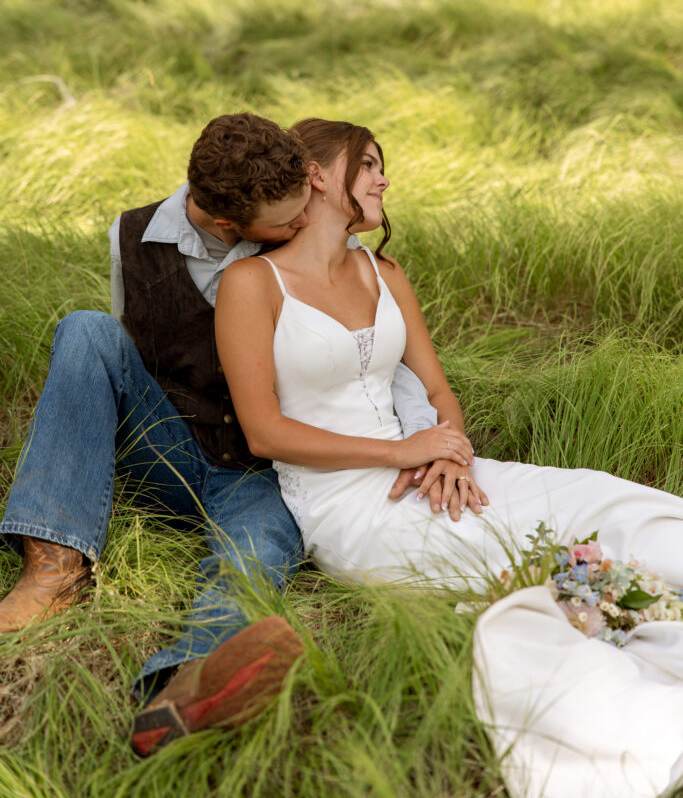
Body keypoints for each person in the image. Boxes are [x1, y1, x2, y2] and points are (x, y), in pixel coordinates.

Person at [215, 118, 683, 798]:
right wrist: (399, 449)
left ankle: (656, 588)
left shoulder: (384, 272)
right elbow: (265, 432)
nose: (383, 179)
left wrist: (451, 454)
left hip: (436, 468)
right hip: (350, 503)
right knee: (546, 571)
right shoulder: (252, 286)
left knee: (602, 499)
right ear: (317, 174)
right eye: (368, 164)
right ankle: (644, 645)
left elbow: (436, 391)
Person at [0, 112, 441, 756]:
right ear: (230, 223)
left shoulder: (304, 243)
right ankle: (55, 564)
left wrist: (424, 438)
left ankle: (183, 684)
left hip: (263, 472)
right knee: (88, 329)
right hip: (171, 451)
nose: (304, 222)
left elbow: (378, 356)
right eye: (288, 222)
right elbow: (138, 359)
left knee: (253, 553)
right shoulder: (133, 234)